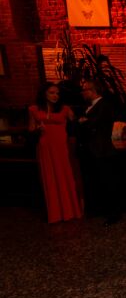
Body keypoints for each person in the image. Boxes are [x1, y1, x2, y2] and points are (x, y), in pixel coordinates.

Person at [28, 82, 83, 223]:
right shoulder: (33, 109)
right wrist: (37, 129)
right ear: (44, 94)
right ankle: (56, 214)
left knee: (65, 176)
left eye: (57, 93)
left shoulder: (65, 109)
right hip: (45, 147)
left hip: (61, 147)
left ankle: (71, 211)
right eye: (52, 93)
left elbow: (77, 124)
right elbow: (31, 129)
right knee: (50, 178)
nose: (55, 96)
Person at [77, 78, 121, 226]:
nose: (82, 93)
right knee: (96, 181)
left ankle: (113, 213)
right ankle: (99, 209)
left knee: (108, 182)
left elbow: (95, 124)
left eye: (84, 90)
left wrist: (84, 122)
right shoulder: (89, 106)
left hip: (102, 150)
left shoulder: (104, 105)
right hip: (91, 149)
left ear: (93, 91)